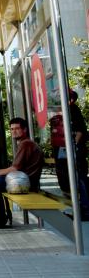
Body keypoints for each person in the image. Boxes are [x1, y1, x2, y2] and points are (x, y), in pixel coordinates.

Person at [55, 90, 89, 220]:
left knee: (80, 179)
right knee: (73, 179)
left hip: (75, 151)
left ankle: (85, 210)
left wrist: (72, 147)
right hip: (69, 150)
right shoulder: (67, 111)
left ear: (71, 100)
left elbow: (80, 131)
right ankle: (79, 209)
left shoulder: (73, 111)